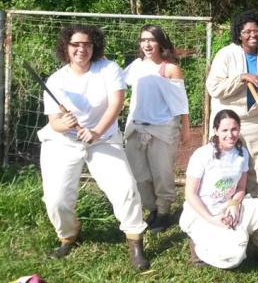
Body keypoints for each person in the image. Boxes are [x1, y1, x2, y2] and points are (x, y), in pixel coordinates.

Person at [37, 24, 149, 270]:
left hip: (103, 139)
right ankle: (69, 235)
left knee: (125, 189)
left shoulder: (108, 69)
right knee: (56, 199)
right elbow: (53, 122)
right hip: (62, 142)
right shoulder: (56, 80)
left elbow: (116, 103)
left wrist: (96, 131)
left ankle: (135, 241)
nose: (81, 49)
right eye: (75, 44)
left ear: (94, 46)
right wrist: (62, 123)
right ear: (66, 48)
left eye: (86, 44)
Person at [179, 109, 258, 269]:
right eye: (225, 130)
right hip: (203, 212)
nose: (231, 134)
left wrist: (234, 205)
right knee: (233, 258)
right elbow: (190, 194)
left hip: (228, 209)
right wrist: (211, 218)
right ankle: (198, 247)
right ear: (215, 131)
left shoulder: (242, 153)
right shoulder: (202, 155)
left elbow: (241, 188)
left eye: (234, 129)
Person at [123, 24, 191, 233]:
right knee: (139, 175)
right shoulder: (135, 66)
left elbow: (181, 103)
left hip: (162, 130)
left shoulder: (170, 68)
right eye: (143, 40)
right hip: (136, 128)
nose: (147, 44)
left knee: (162, 175)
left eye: (151, 39)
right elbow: (116, 85)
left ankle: (163, 213)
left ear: (160, 42)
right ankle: (151, 209)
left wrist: (186, 129)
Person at [205, 11, 258, 197]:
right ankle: (223, 202)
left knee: (257, 166)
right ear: (239, 34)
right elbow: (214, 88)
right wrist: (241, 78)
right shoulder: (225, 55)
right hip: (228, 121)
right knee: (225, 163)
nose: (253, 35)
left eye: (257, 30)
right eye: (247, 32)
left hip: (255, 120)